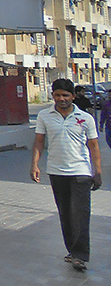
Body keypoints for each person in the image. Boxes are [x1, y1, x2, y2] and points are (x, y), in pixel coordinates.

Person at [31, 78, 102, 271]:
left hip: (81, 172)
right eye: (57, 95)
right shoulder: (45, 116)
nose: (61, 99)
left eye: (65, 95)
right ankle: (72, 251)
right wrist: (35, 165)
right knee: (65, 214)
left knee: (80, 213)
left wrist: (98, 171)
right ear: (53, 96)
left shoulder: (85, 118)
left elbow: (93, 145)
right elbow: (39, 142)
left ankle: (80, 255)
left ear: (73, 96)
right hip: (56, 172)